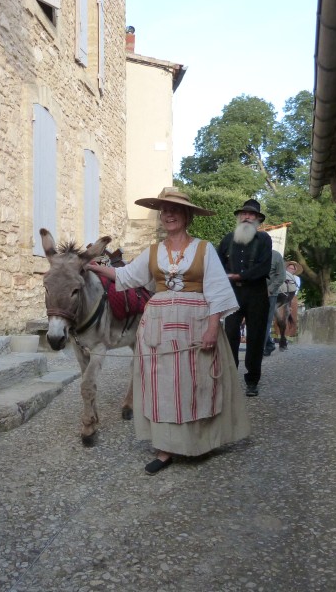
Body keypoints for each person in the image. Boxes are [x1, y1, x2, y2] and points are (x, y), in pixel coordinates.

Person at [86, 187, 249, 475]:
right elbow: (126, 276)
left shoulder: (203, 248)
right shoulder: (153, 253)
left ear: (187, 216)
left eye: (175, 210)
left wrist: (213, 327)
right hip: (158, 329)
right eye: (164, 210)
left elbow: (217, 290)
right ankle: (164, 450)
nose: (169, 215)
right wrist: (96, 268)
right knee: (161, 386)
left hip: (196, 326)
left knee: (195, 383)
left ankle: (199, 443)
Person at [217, 199, 272, 397]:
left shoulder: (264, 239)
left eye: (251, 214)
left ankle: (252, 381)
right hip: (233, 293)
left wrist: (240, 276)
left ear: (257, 219)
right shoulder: (228, 239)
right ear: (239, 217)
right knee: (230, 335)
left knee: (255, 337)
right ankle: (230, 379)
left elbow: (264, 267)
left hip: (256, 293)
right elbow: (218, 262)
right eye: (244, 214)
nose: (247, 216)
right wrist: (225, 277)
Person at [263, 249, 286, 357]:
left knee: (266, 321)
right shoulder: (252, 253)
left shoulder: (276, 256)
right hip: (253, 294)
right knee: (255, 321)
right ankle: (269, 344)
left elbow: (281, 276)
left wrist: (270, 289)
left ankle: (260, 349)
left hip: (270, 295)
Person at [280, 260, 303, 341]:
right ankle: (278, 335)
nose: (291, 269)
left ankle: (288, 335)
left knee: (291, 315)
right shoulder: (282, 275)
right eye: (289, 268)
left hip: (292, 296)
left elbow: (296, 288)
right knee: (280, 315)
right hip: (282, 295)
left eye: (293, 269)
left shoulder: (297, 278)